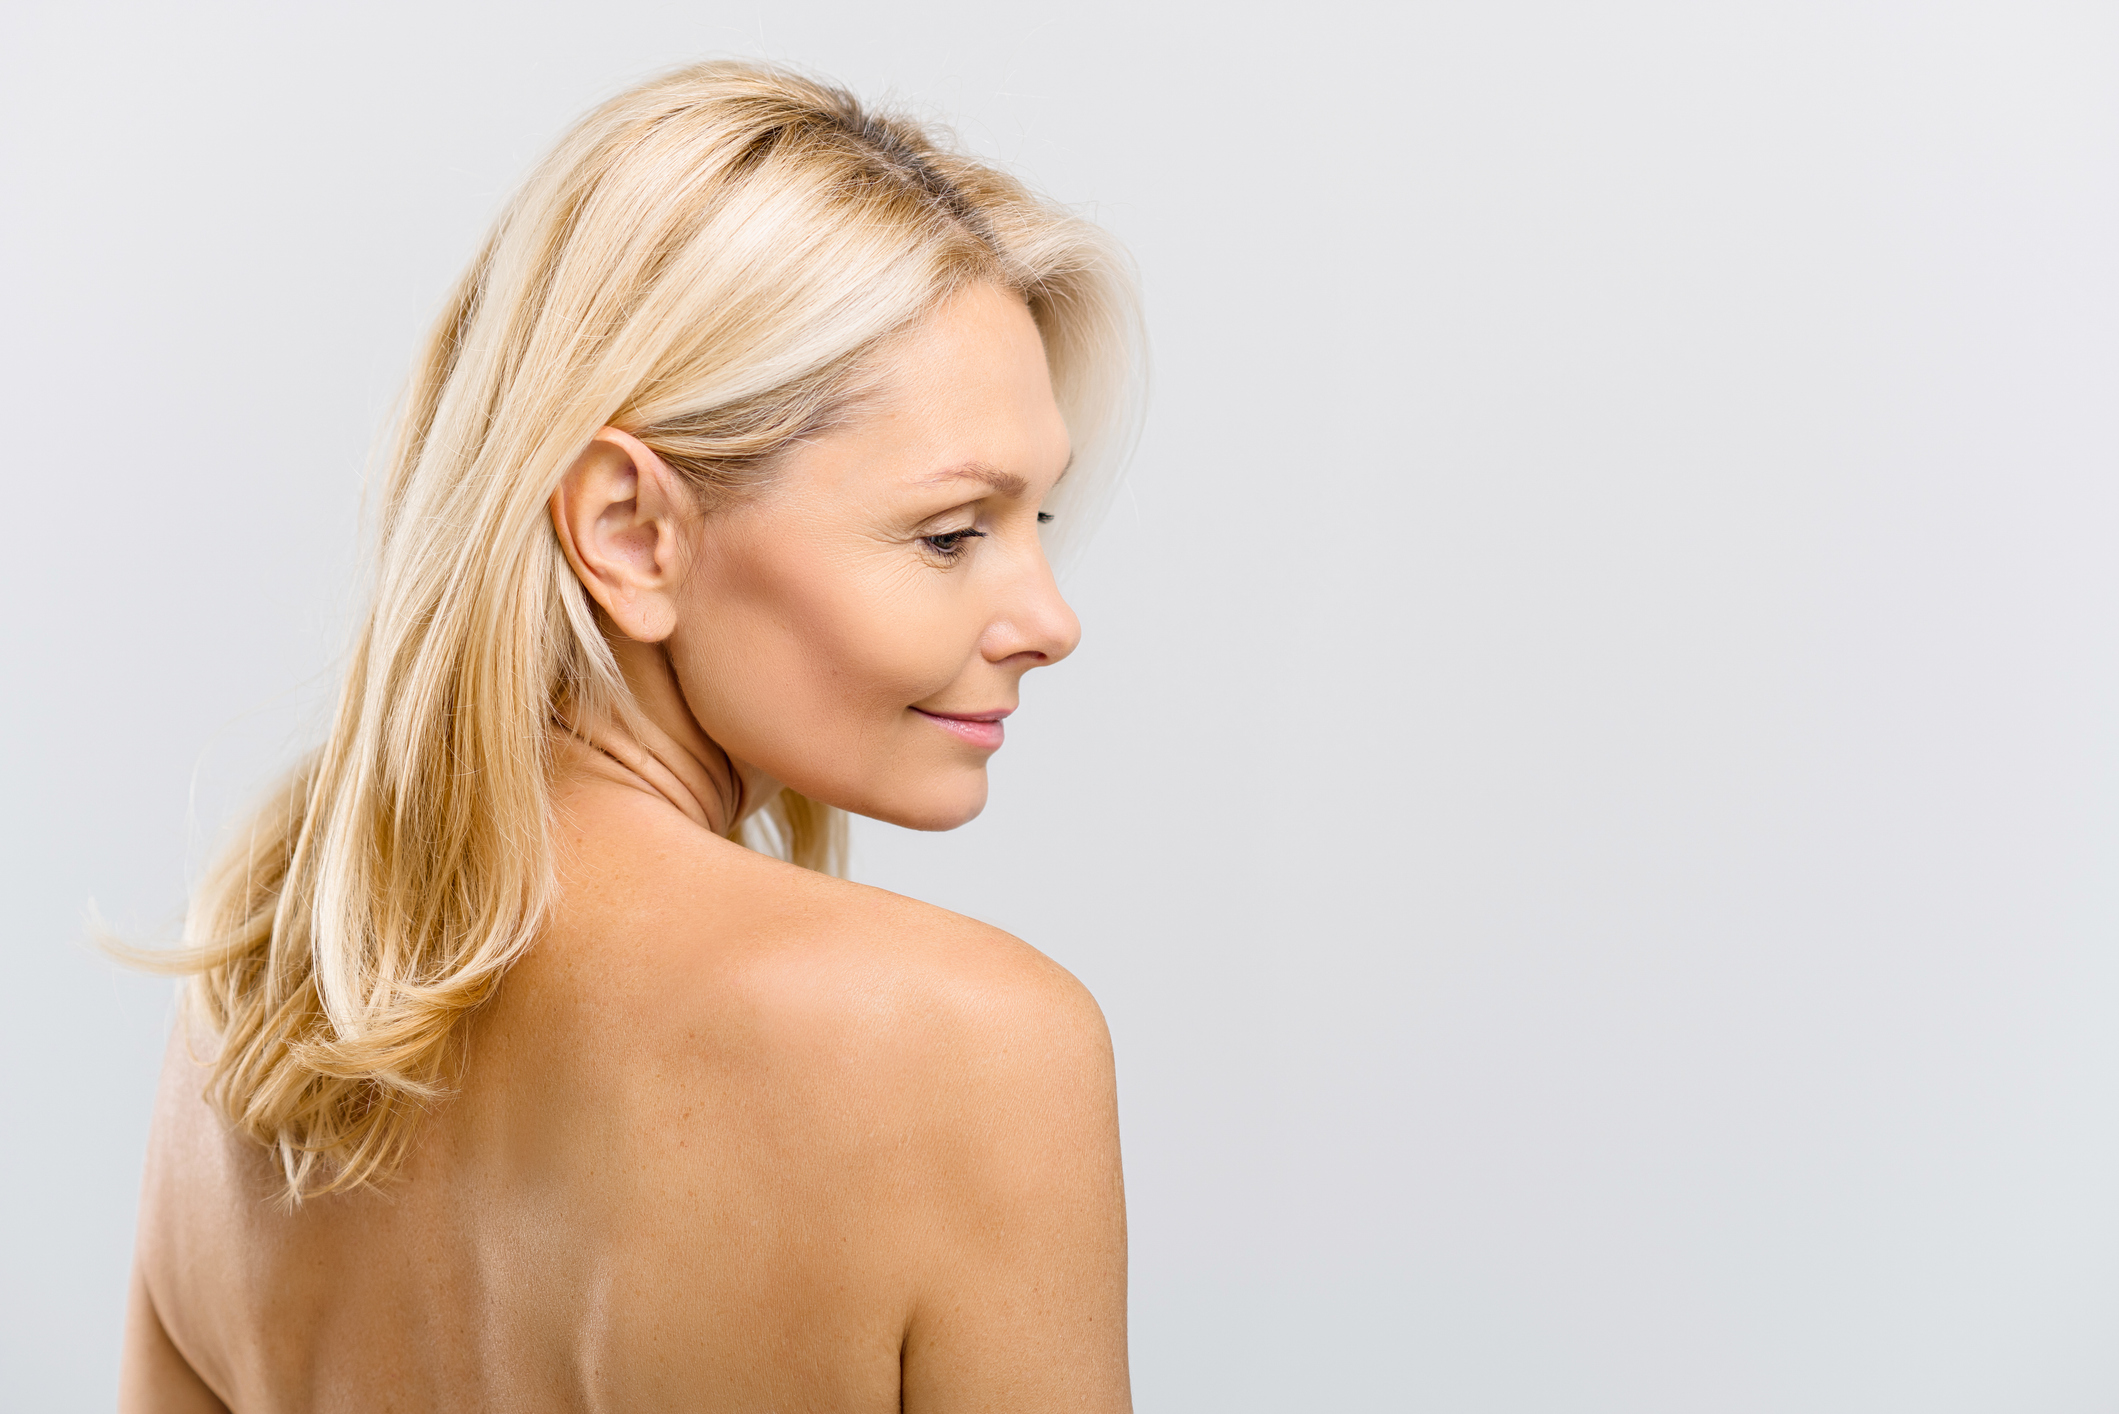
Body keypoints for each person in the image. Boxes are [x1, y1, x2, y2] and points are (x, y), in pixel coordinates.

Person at [119, 60, 1141, 1412]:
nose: (1049, 619)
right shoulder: (973, 1044)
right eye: (950, 533)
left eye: (1038, 524)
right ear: (629, 529)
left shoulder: (263, 978)